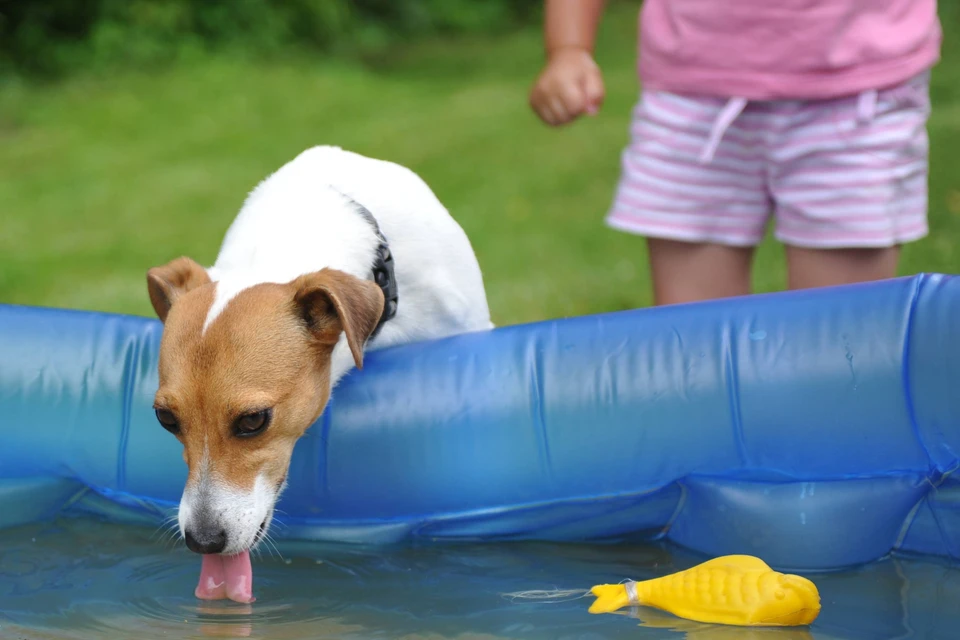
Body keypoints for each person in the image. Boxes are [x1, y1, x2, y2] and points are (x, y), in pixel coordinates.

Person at [529, 0, 942, 305]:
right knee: (694, 349)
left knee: (841, 344)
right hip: (691, 92)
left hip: (858, 92)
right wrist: (568, 47)